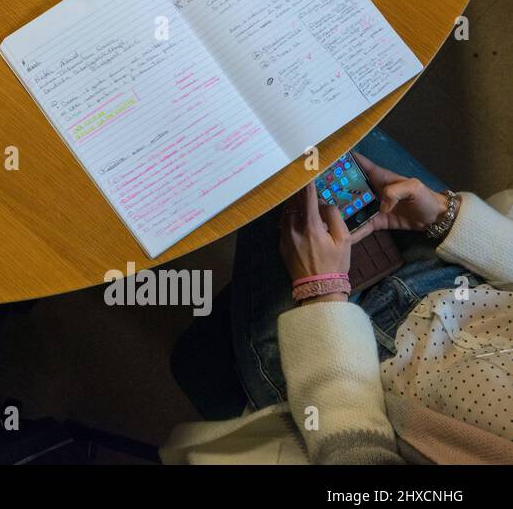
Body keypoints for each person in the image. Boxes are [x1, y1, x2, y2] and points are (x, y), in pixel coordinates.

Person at [163, 133, 513, 464]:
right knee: (321, 125)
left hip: (342, 375)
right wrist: (445, 216)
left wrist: (320, 292)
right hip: (460, 275)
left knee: (265, 150)